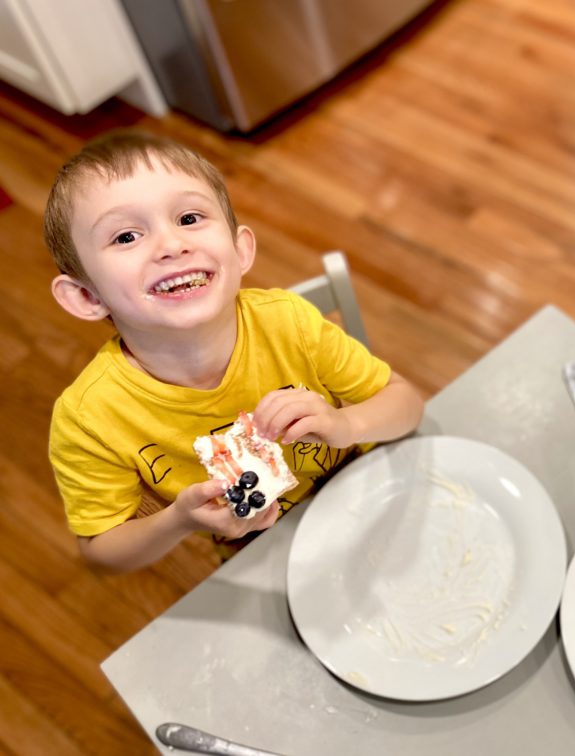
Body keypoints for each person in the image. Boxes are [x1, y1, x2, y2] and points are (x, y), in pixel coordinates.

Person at [45, 130, 424, 572]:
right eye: (127, 236)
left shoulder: (289, 323)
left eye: (188, 218)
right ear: (87, 297)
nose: (171, 246)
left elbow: (408, 404)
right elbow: (101, 555)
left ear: (241, 249)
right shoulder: (88, 421)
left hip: (369, 495)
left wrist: (347, 423)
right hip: (259, 556)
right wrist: (178, 521)